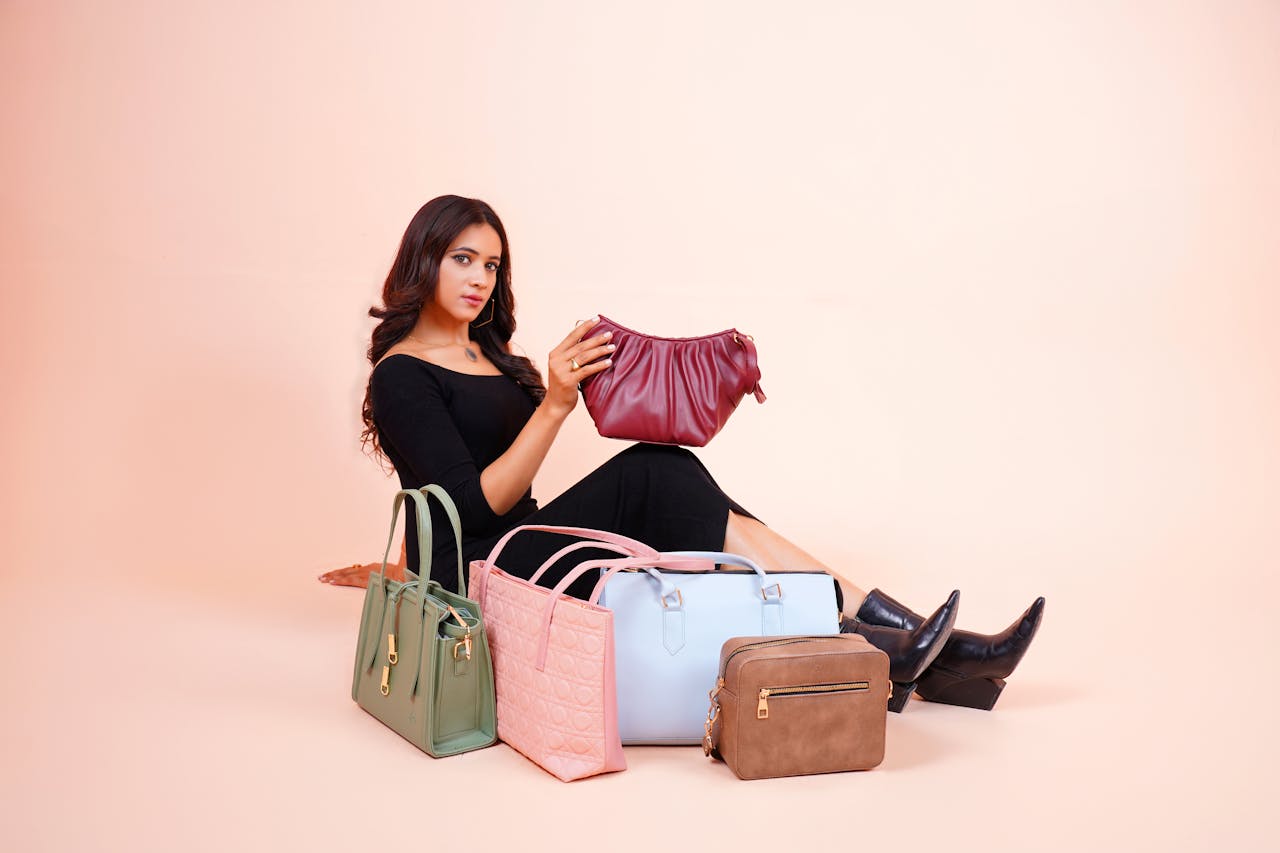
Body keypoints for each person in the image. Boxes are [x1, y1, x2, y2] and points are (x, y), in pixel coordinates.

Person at [320, 195, 1044, 712]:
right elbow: (476, 503)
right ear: (427, 260)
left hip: (523, 548)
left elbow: (510, 477)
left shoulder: (490, 355)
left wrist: (608, 378)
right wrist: (554, 403)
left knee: (694, 492)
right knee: (660, 474)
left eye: (492, 264)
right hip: (482, 578)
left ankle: (921, 651)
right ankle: (906, 647)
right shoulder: (402, 376)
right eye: (462, 258)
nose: (480, 278)